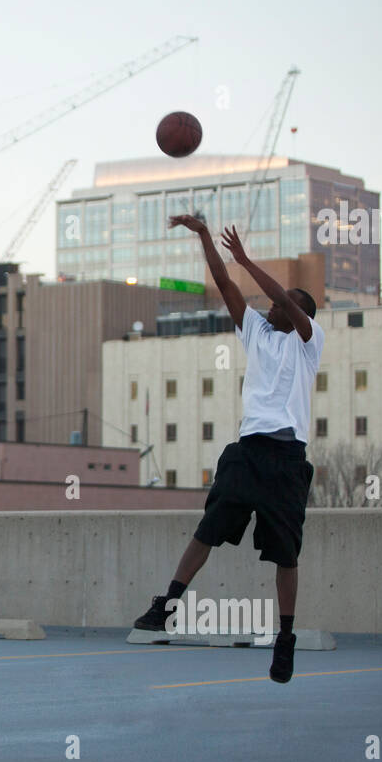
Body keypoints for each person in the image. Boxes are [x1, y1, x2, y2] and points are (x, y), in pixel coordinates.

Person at [134, 216, 324, 683]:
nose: (272, 307)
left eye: (284, 304)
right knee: (208, 529)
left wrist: (247, 261)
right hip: (248, 452)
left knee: (286, 555)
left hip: (286, 459)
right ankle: (169, 603)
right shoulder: (256, 333)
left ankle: (285, 637)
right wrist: (204, 237)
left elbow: (282, 297)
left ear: (299, 313)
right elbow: (223, 283)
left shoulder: (309, 344)